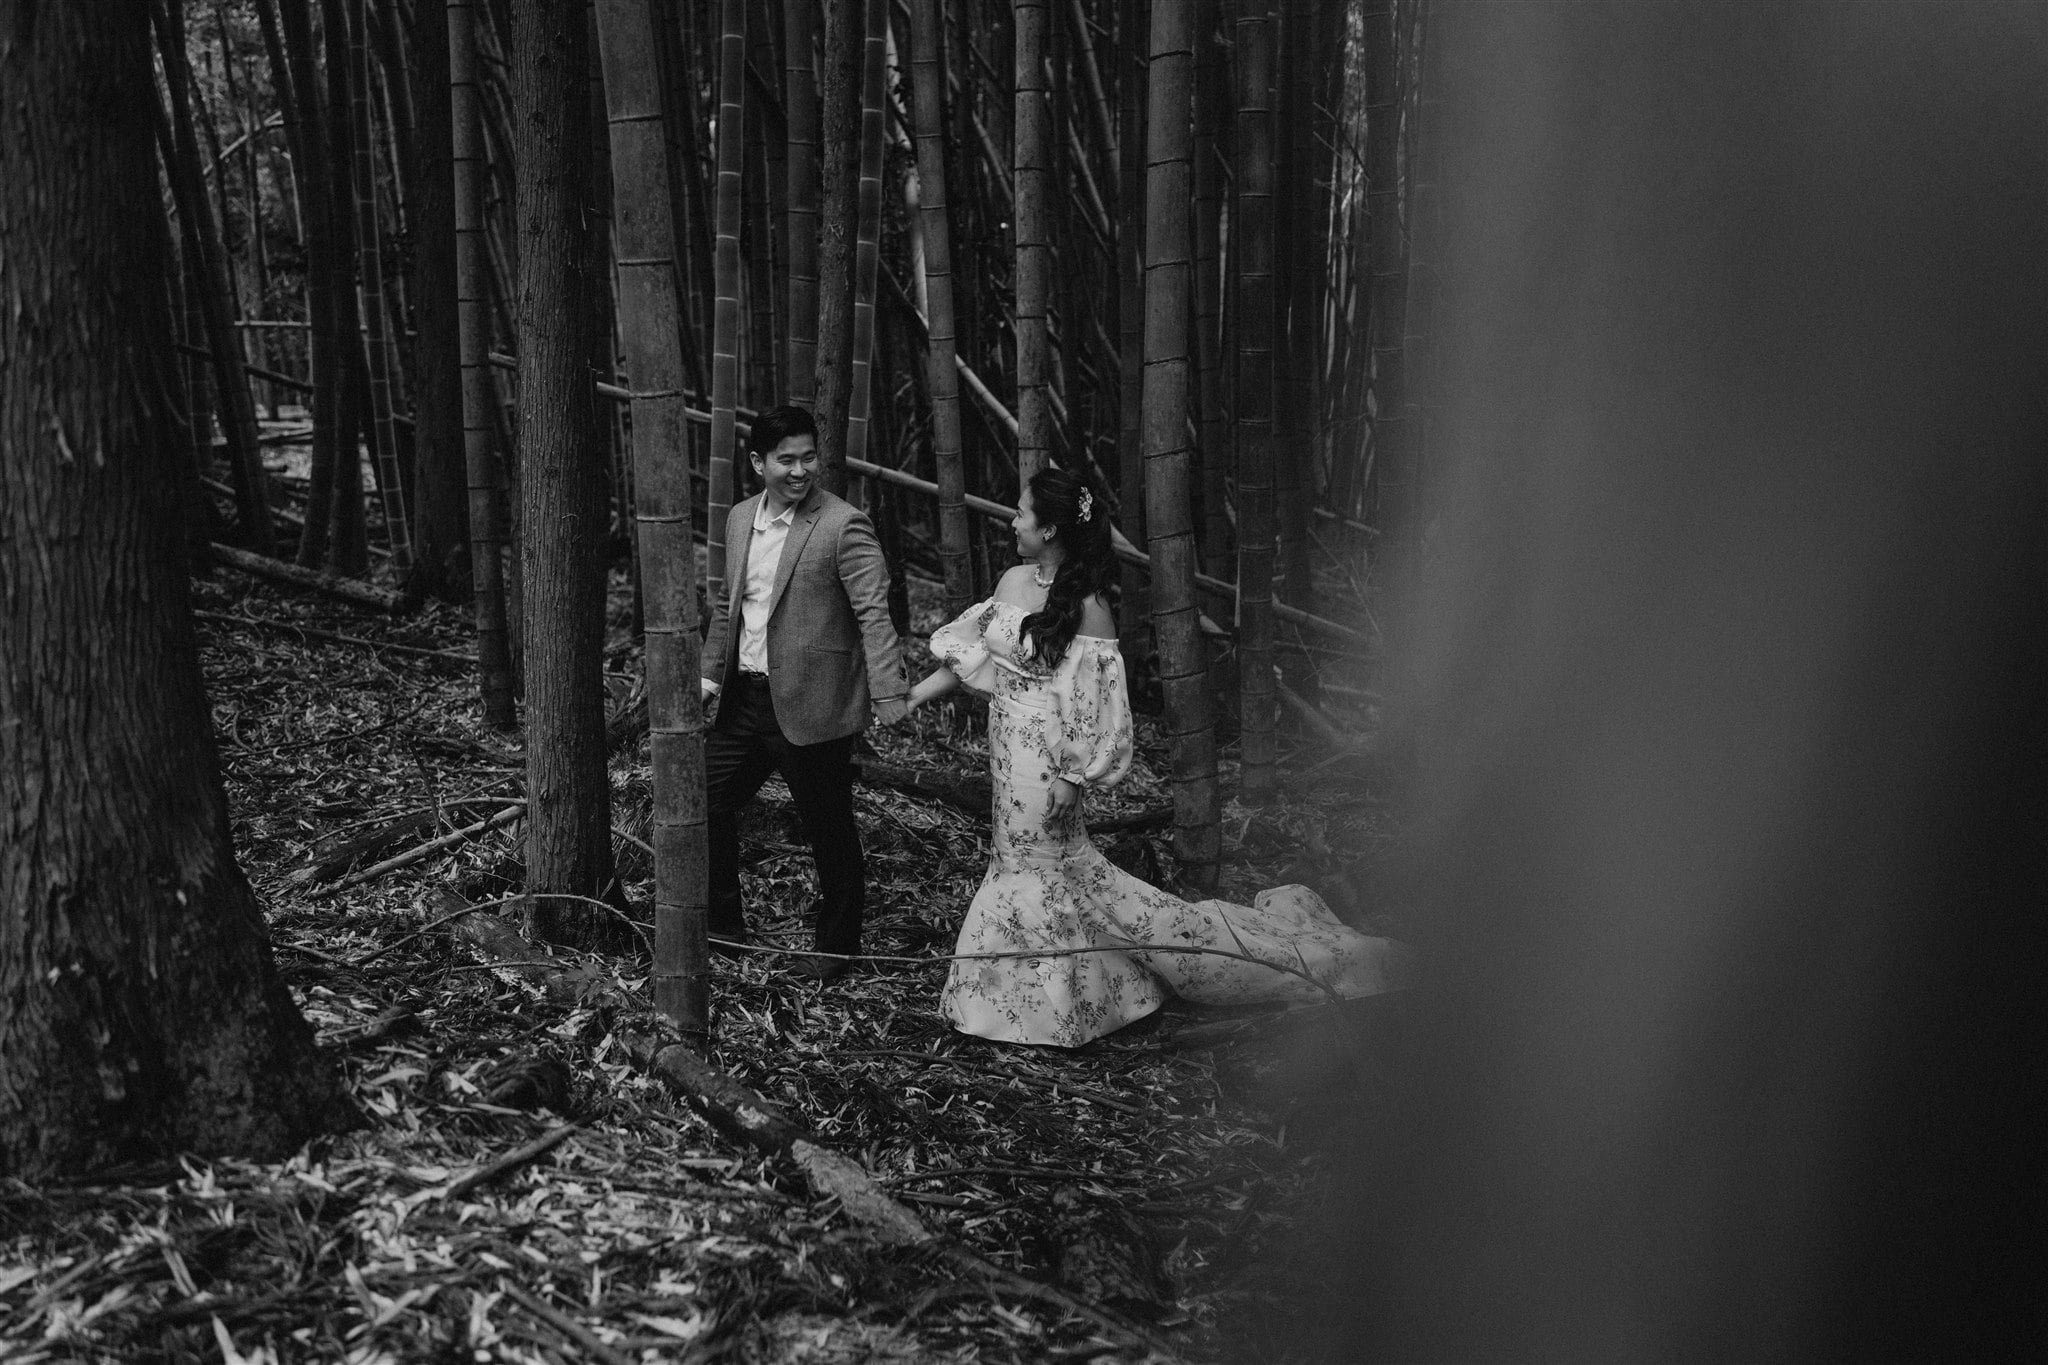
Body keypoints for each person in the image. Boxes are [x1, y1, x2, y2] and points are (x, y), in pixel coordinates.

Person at [906, 465, 1405, 1046]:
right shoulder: (1012, 581)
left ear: (1051, 531)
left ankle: (1043, 1006)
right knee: (1026, 867)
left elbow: (1095, 705)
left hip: (1048, 764)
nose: (1012, 521)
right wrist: (911, 697)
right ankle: (1060, 999)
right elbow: (973, 656)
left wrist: (1074, 777)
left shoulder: (1088, 607)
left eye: (1022, 513)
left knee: (1040, 869)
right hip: (1005, 752)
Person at [701, 406, 908, 983]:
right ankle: (723, 928)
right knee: (705, 799)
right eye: (785, 460)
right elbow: (729, 603)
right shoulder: (742, 518)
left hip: (813, 702)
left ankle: (835, 951)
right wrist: (708, 677)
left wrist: (891, 691)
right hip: (744, 699)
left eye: (808, 457)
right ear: (757, 463)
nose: (799, 470)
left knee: (829, 828)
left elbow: (874, 612)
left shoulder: (843, 524)